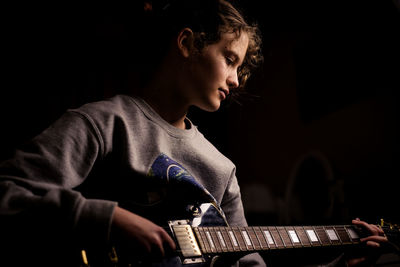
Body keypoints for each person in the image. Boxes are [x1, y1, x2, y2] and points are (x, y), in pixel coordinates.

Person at [0, 0, 388, 266]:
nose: (236, 80)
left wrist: (341, 262)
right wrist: (110, 218)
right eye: (230, 59)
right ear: (187, 44)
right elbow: (9, 191)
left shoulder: (222, 170)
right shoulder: (104, 123)